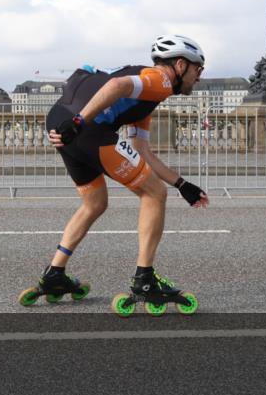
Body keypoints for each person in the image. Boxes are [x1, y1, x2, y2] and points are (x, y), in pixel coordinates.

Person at [17, 34, 209, 315]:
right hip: (84, 127)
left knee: (95, 203)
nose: (199, 77)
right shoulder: (161, 80)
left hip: (61, 122)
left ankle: (54, 273)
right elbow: (117, 85)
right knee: (154, 193)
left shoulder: (145, 97)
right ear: (180, 65)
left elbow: (142, 150)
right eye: (198, 70)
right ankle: (144, 279)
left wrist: (182, 184)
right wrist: (80, 122)